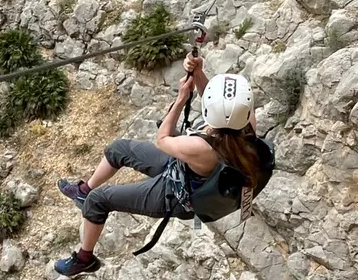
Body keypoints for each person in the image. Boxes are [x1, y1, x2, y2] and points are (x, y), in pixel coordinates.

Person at [52, 52, 275, 276]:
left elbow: (162, 139)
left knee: (98, 201)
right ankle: (83, 191)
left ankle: (84, 259)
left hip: (176, 194)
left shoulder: (201, 148)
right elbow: (220, 107)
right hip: (186, 171)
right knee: (118, 149)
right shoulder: (247, 126)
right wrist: (197, 73)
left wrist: (180, 99)